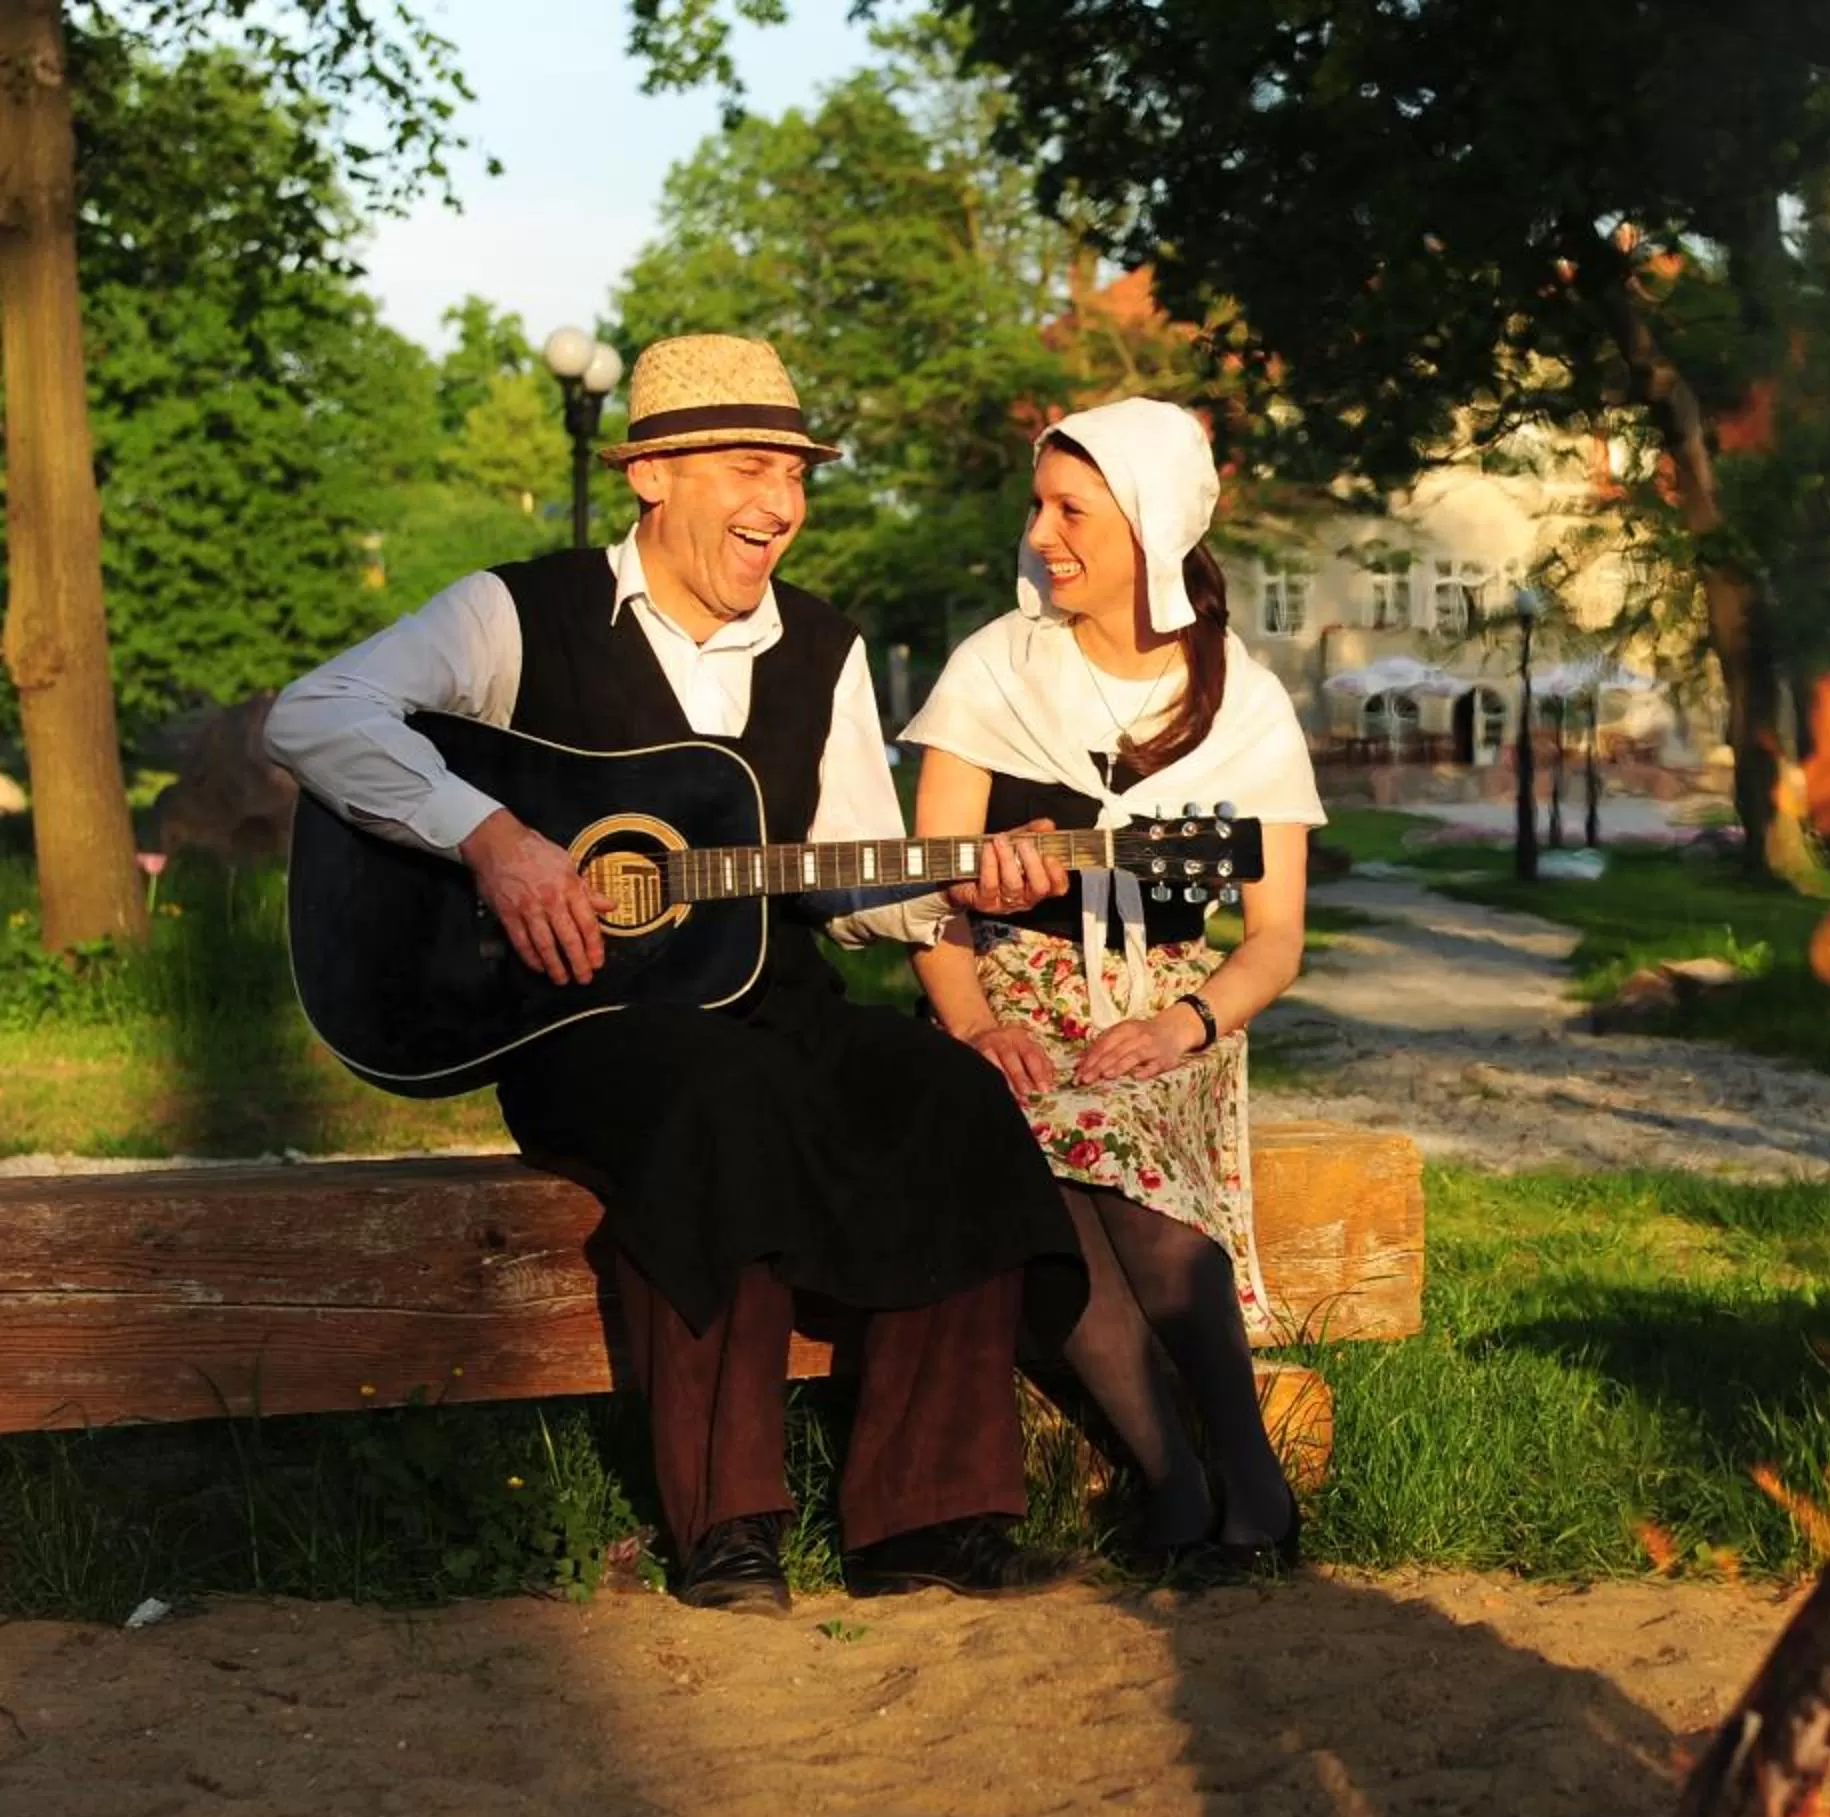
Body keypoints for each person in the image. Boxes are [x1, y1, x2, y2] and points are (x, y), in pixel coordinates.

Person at [264, 333, 1084, 1615]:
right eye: (753, 468)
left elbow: (834, 873)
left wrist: (958, 881)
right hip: (579, 1020)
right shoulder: (514, 613)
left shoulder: (823, 646)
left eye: (798, 475)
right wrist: (493, 840)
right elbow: (313, 714)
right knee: (716, 1097)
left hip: (774, 1002)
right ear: (651, 473)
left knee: (947, 1095)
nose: (783, 505)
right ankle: (731, 1527)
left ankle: (928, 1519)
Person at [898, 395, 1322, 1571]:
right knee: (1030, 1133)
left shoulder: (1244, 701)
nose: (1041, 533)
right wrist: (977, 1022)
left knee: (1116, 1120)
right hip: (1006, 995)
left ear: (1150, 525)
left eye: (1070, 508)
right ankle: (1174, 1480)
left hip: (1170, 1003)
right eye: (1039, 505)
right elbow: (928, 893)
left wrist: (1182, 1025)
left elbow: (1273, 937)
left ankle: (1252, 1476)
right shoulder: (994, 667)